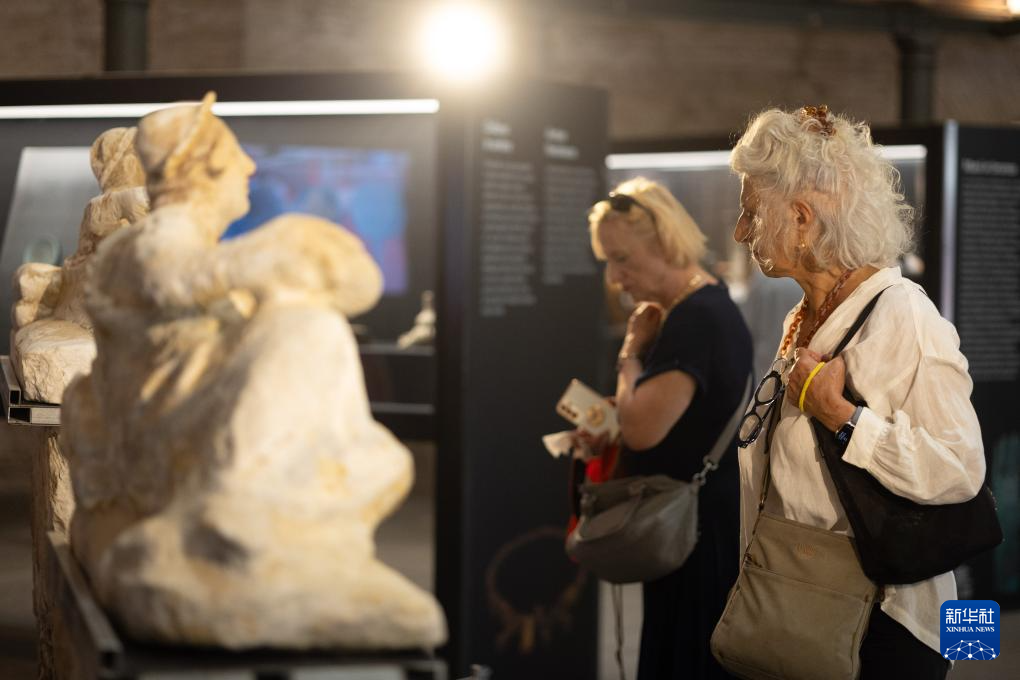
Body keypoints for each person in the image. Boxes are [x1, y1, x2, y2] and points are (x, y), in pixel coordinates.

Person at [730, 105, 985, 679]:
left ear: (801, 218)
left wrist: (842, 417)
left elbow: (959, 467)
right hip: (811, 612)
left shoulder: (903, 314)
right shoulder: (808, 315)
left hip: (884, 626)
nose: (741, 232)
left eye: (751, 213)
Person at [583, 177, 751, 679]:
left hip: (694, 533)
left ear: (663, 242)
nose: (615, 278)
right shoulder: (697, 308)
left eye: (622, 259)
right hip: (693, 524)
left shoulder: (694, 319)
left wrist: (630, 351)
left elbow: (641, 428)